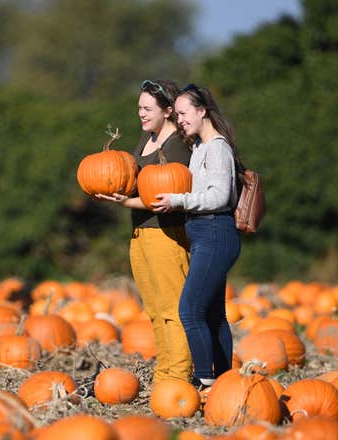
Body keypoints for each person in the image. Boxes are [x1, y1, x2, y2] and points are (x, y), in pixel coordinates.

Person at [95, 79, 192, 384]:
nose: (141, 113)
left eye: (148, 108)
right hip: (140, 233)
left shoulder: (177, 143)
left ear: (167, 110)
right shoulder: (146, 138)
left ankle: (178, 375)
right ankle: (164, 372)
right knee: (153, 309)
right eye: (139, 107)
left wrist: (127, 202)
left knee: (173, 310)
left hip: (167, 235)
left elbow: (169, 193)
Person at [152, 83, 241, 388]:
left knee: (189, 310)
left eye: (184, 113)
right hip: (205, 233)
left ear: (202, 110)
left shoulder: (217, 147)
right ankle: (226, 382)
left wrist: (179, 200)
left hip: (216, 230)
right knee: (214, 315)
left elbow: (219, 196)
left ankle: (206, 382)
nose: (180, 120)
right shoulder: (201, 147)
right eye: (176, 115)